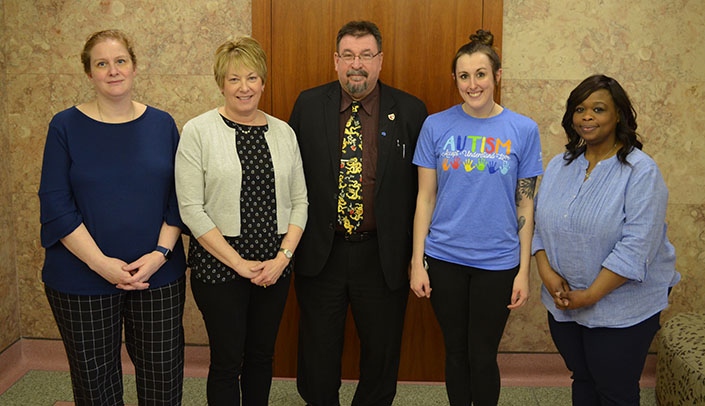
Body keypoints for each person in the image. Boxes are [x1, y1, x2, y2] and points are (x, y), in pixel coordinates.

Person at [38, 29, 187, 405]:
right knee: (96, 386)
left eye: (120, 61)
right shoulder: (65, 126)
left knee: (163, 382)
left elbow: (179, 198)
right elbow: (55, 203)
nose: (113, 70)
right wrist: (101, 264)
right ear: (89, 74)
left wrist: (159, 256)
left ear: (134, 67)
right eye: (101, 64)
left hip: (157, 276)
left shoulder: (162, 124)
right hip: (81, 278)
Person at [289, 20, 427, 406]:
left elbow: (425, 192)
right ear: (335, 61)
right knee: (317, 359)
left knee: (382, 358)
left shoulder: (412, 111)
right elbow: (291, 178)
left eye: (366, 55)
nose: (357, 64)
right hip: (321, 251)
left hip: (381, 256)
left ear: (380, 61)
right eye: (348, 55)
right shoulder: (309, 104)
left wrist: (418, 257)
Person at [409, 29, 543, 406]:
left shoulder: (523, 129)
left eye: (481, 74)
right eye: (464, 76)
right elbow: (425, 197)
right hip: (444, 258)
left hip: (497, 263)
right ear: (455, 79)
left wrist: (523, 271)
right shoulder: (436, 126)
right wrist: (418, 261)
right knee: (454, 353)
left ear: (497, 76)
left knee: (482, 356)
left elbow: (526, 205)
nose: (473, 84)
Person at [532, 74, 680, 406]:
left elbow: (637, 245)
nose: (587, 117)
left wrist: (591, 295)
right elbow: (539, 225)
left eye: (598, 109)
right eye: (580, 109)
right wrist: (547, 274)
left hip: (622, 309)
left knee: (614, 391)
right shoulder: (560, 165)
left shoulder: (641, 172)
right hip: (564, 303)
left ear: (618, 116)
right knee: (582, 379)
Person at [175, 36, 308, 406]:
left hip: (273, 265)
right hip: (220, 268)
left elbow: (301, 201)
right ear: (221, 84)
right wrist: (238, 263)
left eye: (251, 78)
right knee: (227, 361)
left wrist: (282, 259)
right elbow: (191, 208)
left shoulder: (284, 133)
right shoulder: (198, 132)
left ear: (263, 82)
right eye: (234, 79)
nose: (244, 87)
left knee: (262, 356)